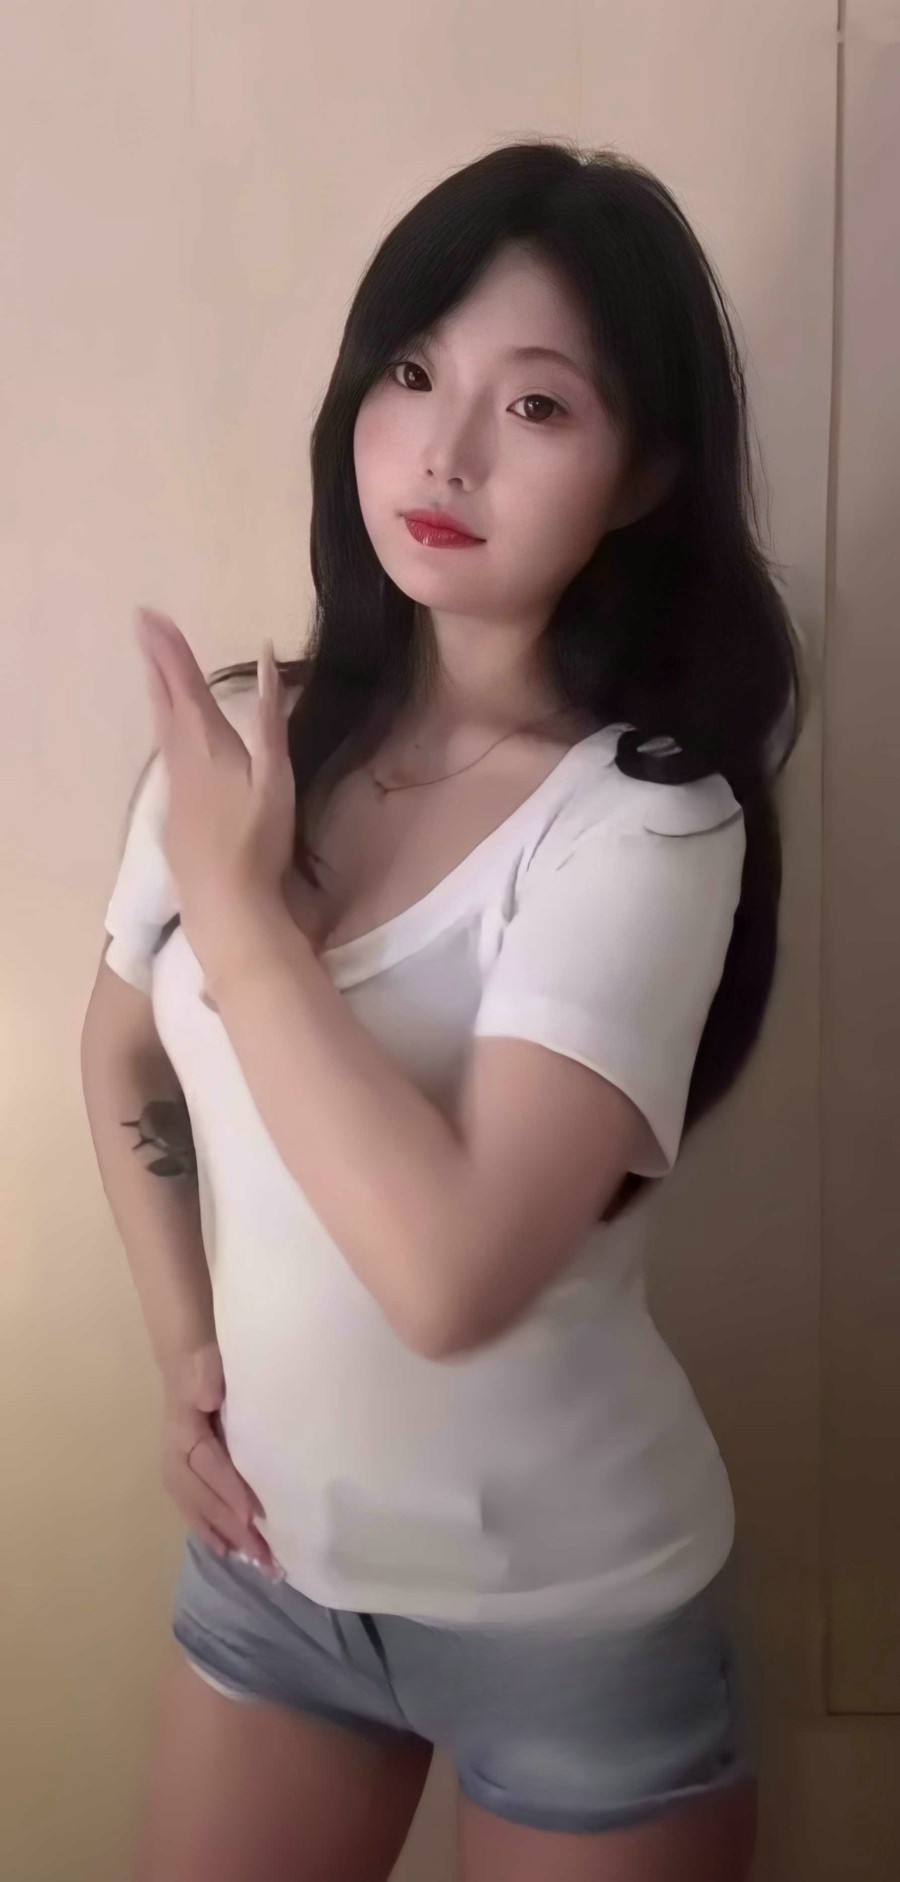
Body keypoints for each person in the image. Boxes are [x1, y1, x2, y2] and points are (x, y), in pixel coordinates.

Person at [94, 140, 802, 1880]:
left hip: (576, 1619)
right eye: (411, 373)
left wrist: (244, 918)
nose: (446, 451)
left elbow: (452, 1277)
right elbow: (121, 1051)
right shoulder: (247, 740)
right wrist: (186, 1350)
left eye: (537, 406)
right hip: (273, 1584)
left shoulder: (647, 821)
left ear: (643, 475)